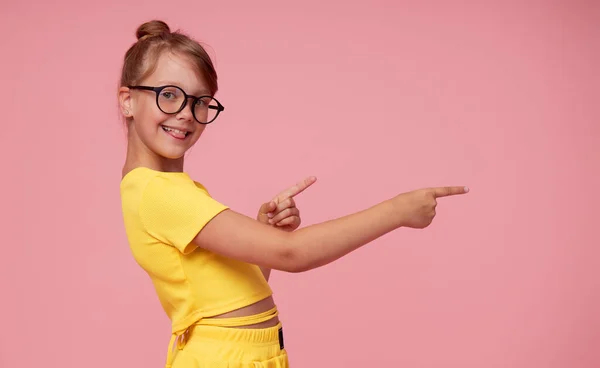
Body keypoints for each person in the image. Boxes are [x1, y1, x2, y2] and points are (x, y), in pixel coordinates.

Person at [118, 19, 469, 368]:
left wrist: (264, 235)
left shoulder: (167, 189)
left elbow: (238, 296)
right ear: (127, 101)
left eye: (200, 102)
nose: (185, 114)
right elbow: (292, 254)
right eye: (168, 95)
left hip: (248, 354)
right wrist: (399, 210)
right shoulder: (158, 192)